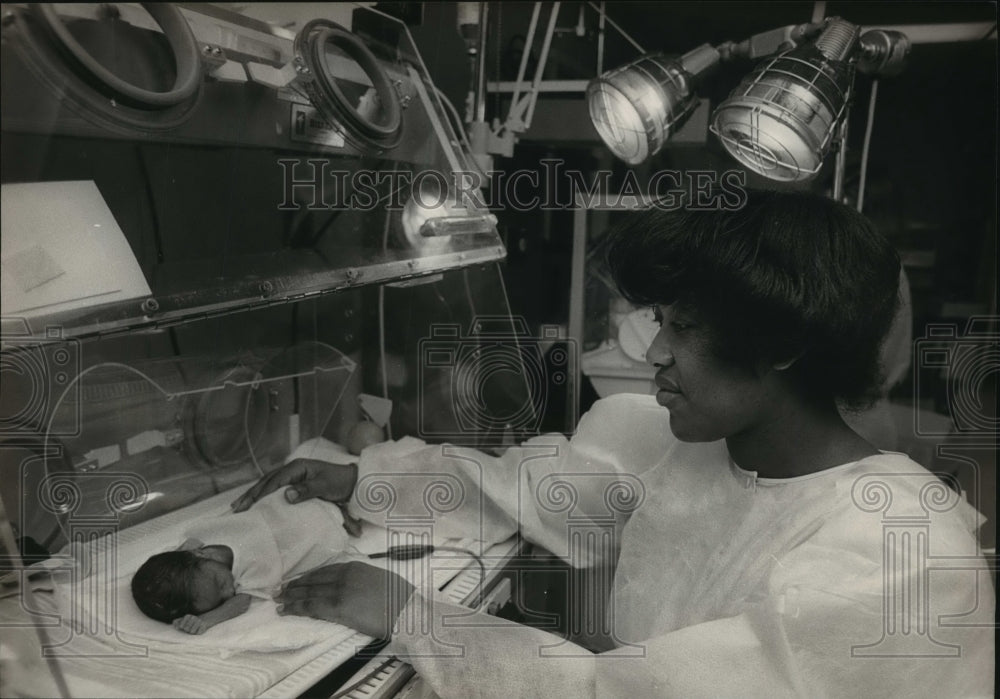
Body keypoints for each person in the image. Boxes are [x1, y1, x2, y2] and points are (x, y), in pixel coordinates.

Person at [231, 189, 993, 697]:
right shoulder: (702, 451)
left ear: (784, 343)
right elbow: (529, 488)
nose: (654, 351)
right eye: (661, 318)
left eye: (683, 326)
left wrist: (413, 615)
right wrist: (361, 480)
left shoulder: (899, 553)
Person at [134, 489, 349, 635]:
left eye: (220, 584)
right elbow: (240, 602)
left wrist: (178, 560)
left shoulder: (200, 536)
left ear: (198, 554)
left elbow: (184, 547)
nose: (229, 593)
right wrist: (206, 620)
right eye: (220, 600)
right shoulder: (249, 572)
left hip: (295, 500)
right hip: (324, 528)